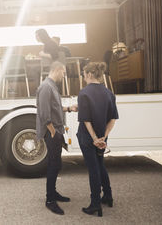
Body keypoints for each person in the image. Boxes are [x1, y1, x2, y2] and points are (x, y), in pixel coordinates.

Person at [76, 62, 119, 217]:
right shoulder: (109, 93)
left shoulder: (84, 93)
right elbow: (113, 119)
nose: (84, 77)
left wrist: (94, 138)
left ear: (89, 74)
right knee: (100, 165)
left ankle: (95, 204)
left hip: (88, 138)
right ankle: (108, 196)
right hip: (102, 137)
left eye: (84, 75)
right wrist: (103, 137)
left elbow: (86, 120)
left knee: (93, 169)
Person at [36, 61, 77, 215]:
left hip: (57, 130)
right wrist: (53, 131)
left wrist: (69, 109)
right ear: (57, 70)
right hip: (52, 131)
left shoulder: (51, 85)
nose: (64, 75)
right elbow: (44, 113)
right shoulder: (46, 87)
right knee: (53, 165)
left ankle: (53, 193)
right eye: (63, 72)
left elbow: (55, 107)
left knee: (57, 163)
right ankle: (50, 200)